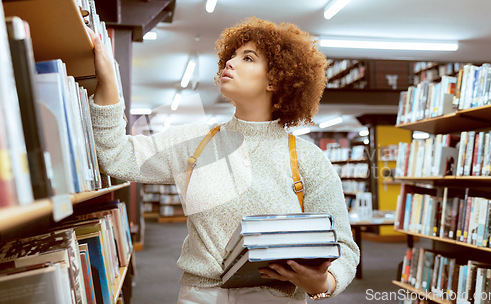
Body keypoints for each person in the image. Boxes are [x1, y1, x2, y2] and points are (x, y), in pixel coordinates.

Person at [88, 17, 359, 303]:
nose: (230, 62)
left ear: (275, 79)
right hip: (199, 296)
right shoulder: (196, 142)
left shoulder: (307, 159)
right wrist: (108, 80)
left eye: (248, 58)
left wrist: (324, 282)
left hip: (275, 297)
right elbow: (115, 156)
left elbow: (344, 246)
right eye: (231, 56)